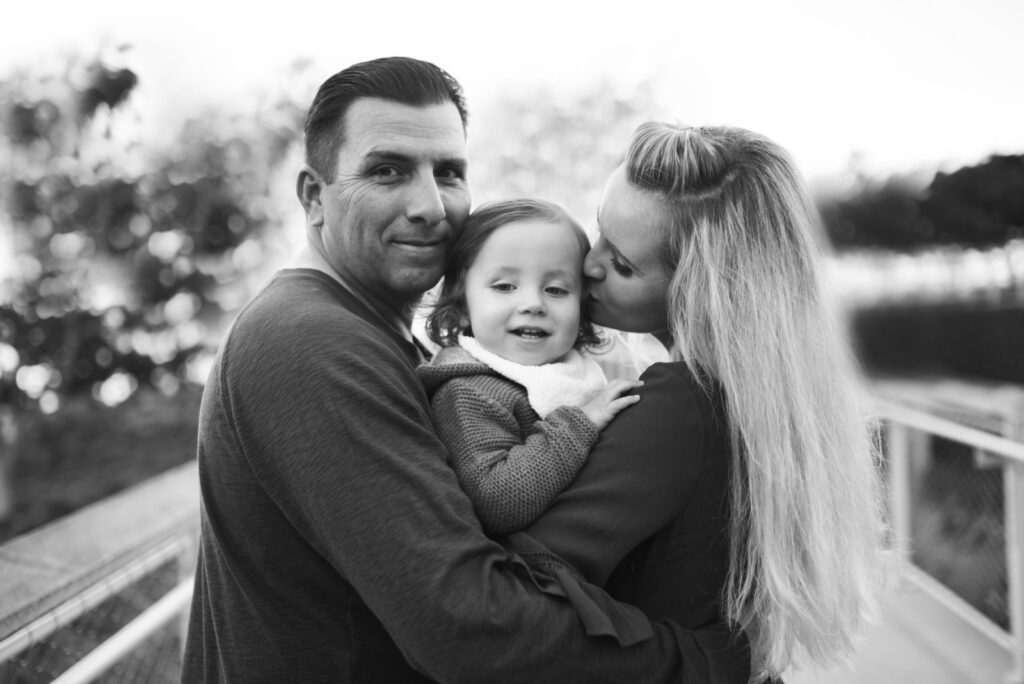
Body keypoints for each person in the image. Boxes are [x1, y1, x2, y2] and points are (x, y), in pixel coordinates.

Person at [182, 57, 751, 683]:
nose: (431, 205)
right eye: (388, 170)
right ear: (315, 196)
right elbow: (469, 625)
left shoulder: (389, 338)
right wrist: (704, 662)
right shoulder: (310, 341)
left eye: (449, 172)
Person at [514, 122, 887, 683]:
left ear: (698, 288)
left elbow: (514, 593)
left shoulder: (680, 405)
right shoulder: (764, 403)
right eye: (599, 231)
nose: (587, 265)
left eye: (622, 264)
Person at [417, 198, 642, 537]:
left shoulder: (585, 369)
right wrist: (580, 423)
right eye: (505, 286)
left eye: (555, 289)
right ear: (463, 302)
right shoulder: (468, 393)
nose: (533, 304)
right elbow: (496, 502)